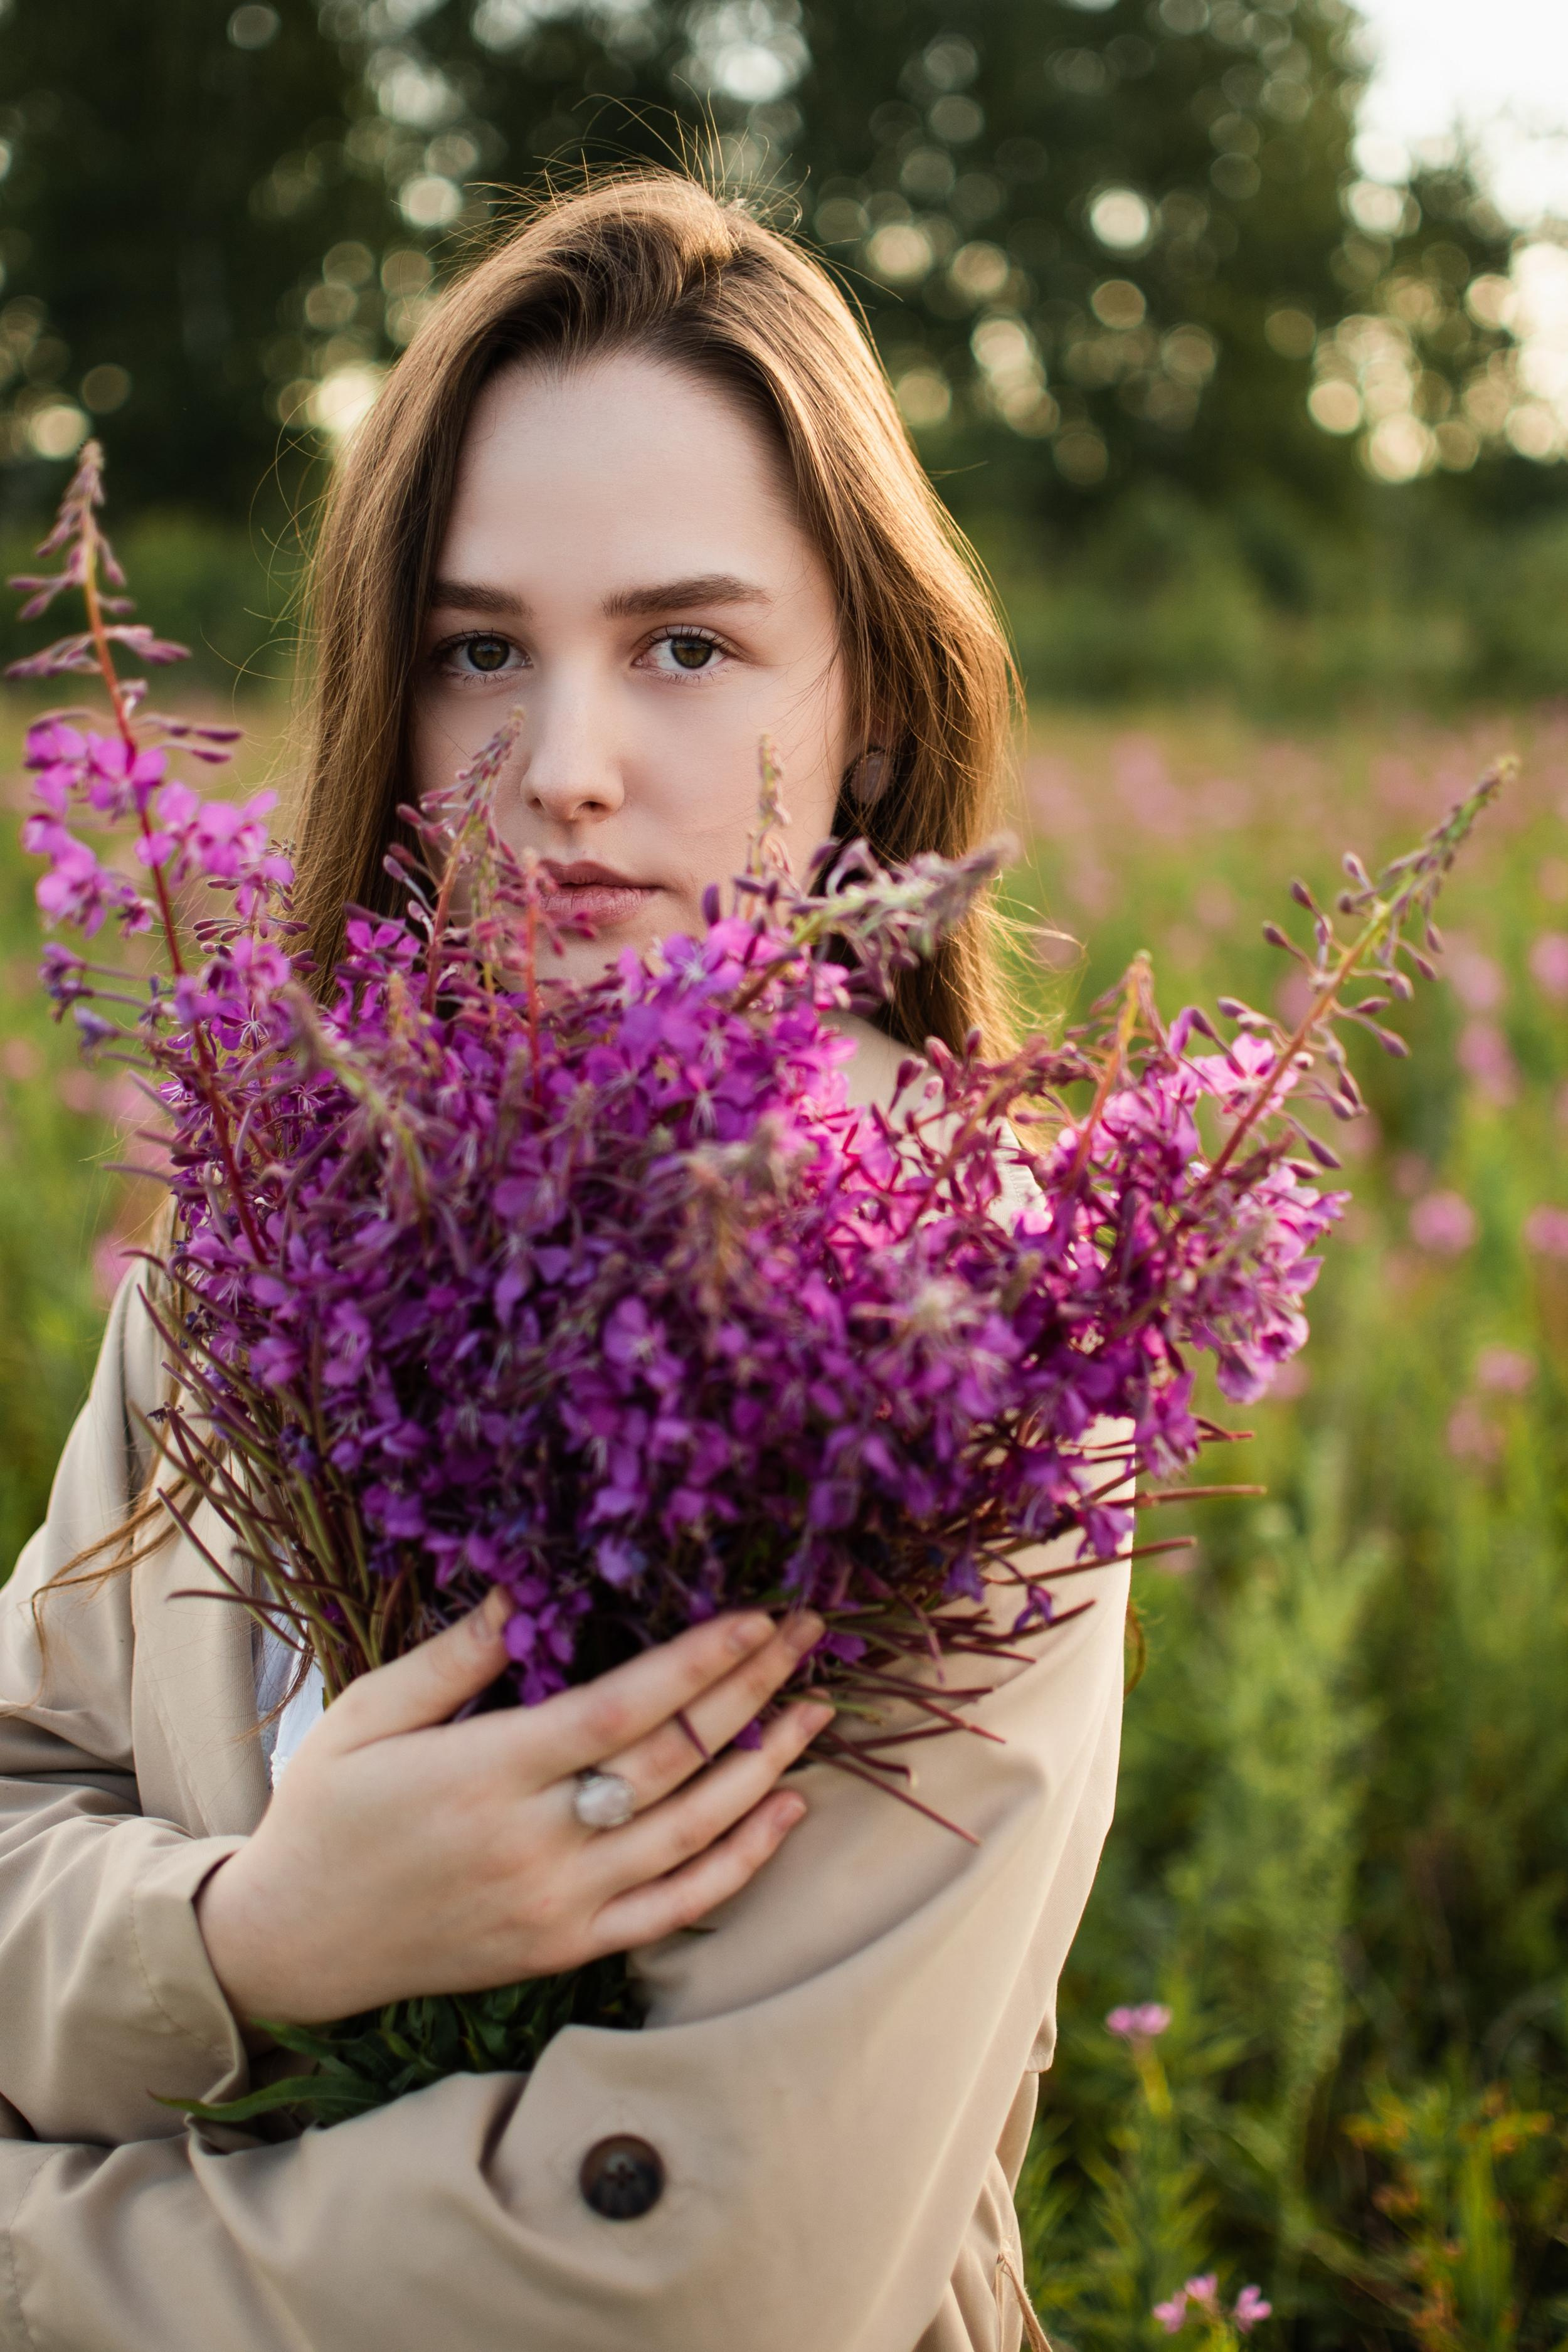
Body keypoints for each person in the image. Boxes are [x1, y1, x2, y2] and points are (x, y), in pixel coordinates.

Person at [0, 172, 1129, 2352]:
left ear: (873, 717)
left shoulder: (968, 1340)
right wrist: (254, 1941)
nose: (566, 774)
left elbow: (698, 2283)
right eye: (478, 651)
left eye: (687, 647)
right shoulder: (249, 1261)